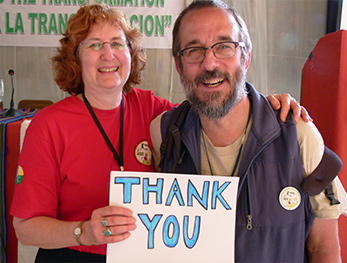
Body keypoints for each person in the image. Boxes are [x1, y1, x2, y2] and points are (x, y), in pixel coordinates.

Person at [10, 2, 312, 262]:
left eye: (117, 43)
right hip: (74, 255)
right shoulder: (49, 125)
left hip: (146, 255)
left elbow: (214, 103)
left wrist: (271, 104)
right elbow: (25, 227)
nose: (108, 54)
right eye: (94, 44)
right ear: (75, 58)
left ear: (131, 54)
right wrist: (82, 232)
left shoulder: (154, 110)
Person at [150, 0, 347, 262]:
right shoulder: (163, 133)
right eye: (193, 50)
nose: (209, 63)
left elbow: (323, 249)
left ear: (245, 57)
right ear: (179, 65)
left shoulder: (298, 135)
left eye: (224, 46)